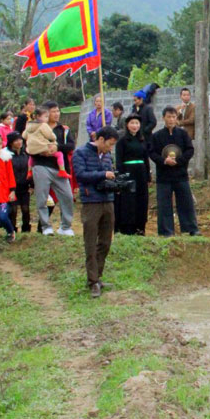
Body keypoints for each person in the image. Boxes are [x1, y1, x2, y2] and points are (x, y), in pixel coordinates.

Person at [74, 126, 119, 298]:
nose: (110, 148)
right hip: (91, 201)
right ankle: (92, 281)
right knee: (91, 242)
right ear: (100, 139)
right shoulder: (81, 153)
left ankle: (98, 276)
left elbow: (109, 174)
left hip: (108, 200)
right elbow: (81, 175)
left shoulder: (107, 156)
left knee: (106, 242)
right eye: (109, 144)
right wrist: (103, 174)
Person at [150, 106, 198, 237]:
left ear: (177, 118)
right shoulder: (157, 136)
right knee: (164, 203)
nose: (171, 120)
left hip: (180, 173)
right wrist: (163, 161)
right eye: (169, 117)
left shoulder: (183, 134)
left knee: (186, 202)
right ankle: (167, 231)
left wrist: (180, 160)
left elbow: (190, 150)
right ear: (163, 118)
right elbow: (152, 153)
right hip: (164, 175)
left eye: (173, 117)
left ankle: (191, 228)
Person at [30, 102, 74, 237]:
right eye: (53, 111)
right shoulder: (36, 128)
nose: (56, 114)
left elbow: (71, 145)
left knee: (67, 197)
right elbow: (30, 147)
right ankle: (45, 226)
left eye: (58, 111)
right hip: (41, 165)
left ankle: (65, 226)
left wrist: (58, 147)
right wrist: (41, 151)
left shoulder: (64, 129)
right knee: (42, 198)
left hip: (60, 168)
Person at [114, 115, 151, 235]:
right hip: (128, 172)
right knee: (128, 200)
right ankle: (127, 227)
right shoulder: (122, 141)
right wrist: (120, 177)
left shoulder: (142, 140)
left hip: (141, 173)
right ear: (127, 125)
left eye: (137, 123)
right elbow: (119, 160)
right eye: (132, 123)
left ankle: (140, 226)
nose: (135, 126)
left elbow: (146, 159)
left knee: (141, 198)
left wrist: (148, 175)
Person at [24, 107, 69, 178]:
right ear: (38, 116)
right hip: (43, 148)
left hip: (31, 150)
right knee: (59, 154)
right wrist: (54, 139)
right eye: (46, 117)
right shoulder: (43, 125)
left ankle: (29, 171)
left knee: (31, 157)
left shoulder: (28, 125)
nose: (47, 119)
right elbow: (50, 135)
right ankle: (62, 170)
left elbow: (24, 136)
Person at [6, 132, 32, 234]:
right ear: (11, 143)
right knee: (13, 210)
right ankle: (12, 230)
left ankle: (26, 229)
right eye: (16, 140)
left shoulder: (26, 154)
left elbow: (30, 169)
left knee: (25, 209)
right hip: (12, 187)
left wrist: (32, 185)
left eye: (20, 139)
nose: (19, 142)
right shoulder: (7, 155)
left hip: (25, 186)